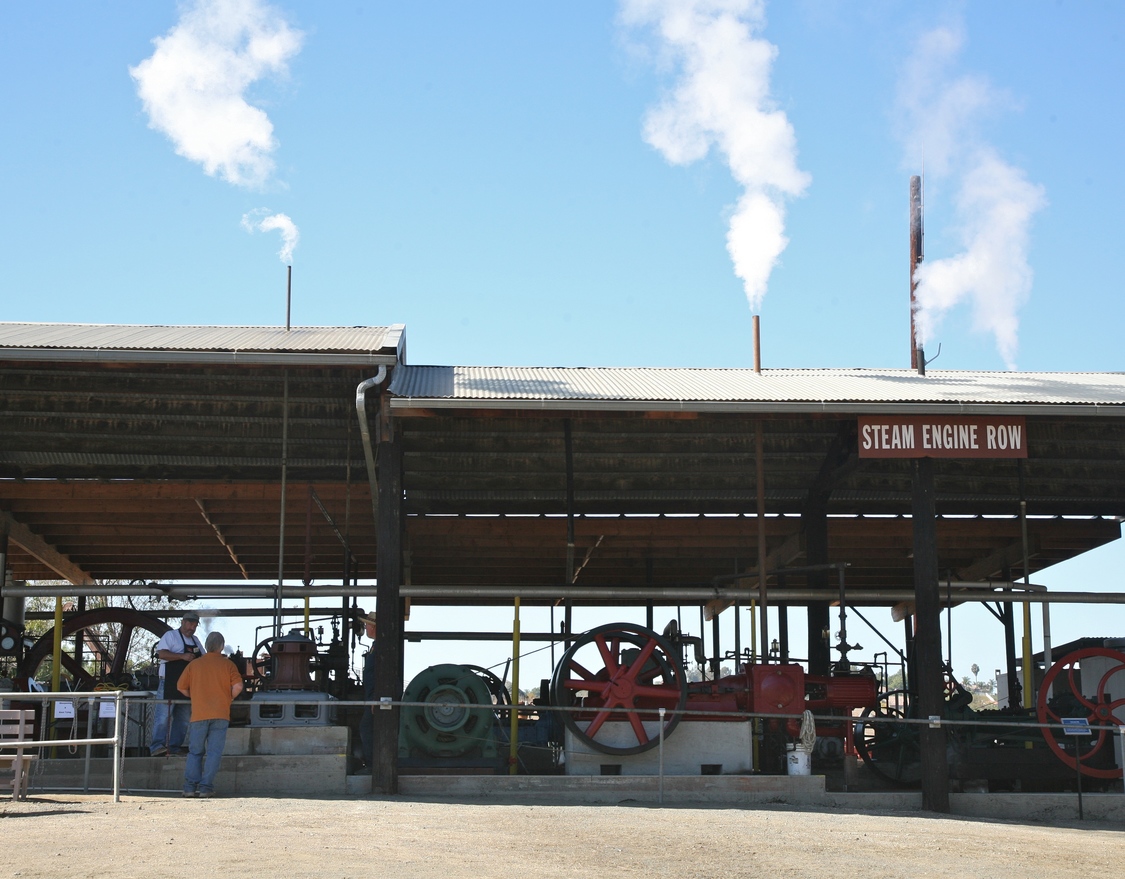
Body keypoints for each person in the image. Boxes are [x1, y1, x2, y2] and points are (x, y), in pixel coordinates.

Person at [177, 630, 244, 798]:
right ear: (221, 647)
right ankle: (206, 788)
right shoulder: (228, 665)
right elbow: (238, 686)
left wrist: (195, 696)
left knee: (195, 752)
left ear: (206, 646)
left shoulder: (194, 665)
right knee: (213, 753)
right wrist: (229, 698)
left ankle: (189, 788)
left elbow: (181, 687)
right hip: (221, 714)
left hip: (199, 714)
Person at [149, 610, 203, 757]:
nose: (192, 628)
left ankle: (174, 747)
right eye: (190, 624)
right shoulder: (170, 636)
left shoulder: (196, 640)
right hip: (169, 683)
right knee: (163, 717)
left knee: (183, 719)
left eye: (195, 625)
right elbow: (161, 654)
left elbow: (203, 658)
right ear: (183, 622)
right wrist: (182, 656)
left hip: (188, 686)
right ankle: (157, 747)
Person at [357, 610, 376, 767]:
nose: (365, 628)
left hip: (375, 697)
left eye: (367, 625)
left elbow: (383, 673)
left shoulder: (381, 648)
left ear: (374, 627)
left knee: (367, 729)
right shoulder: (375, 647)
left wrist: (376, 697)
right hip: (372, 696)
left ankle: (372, 765)